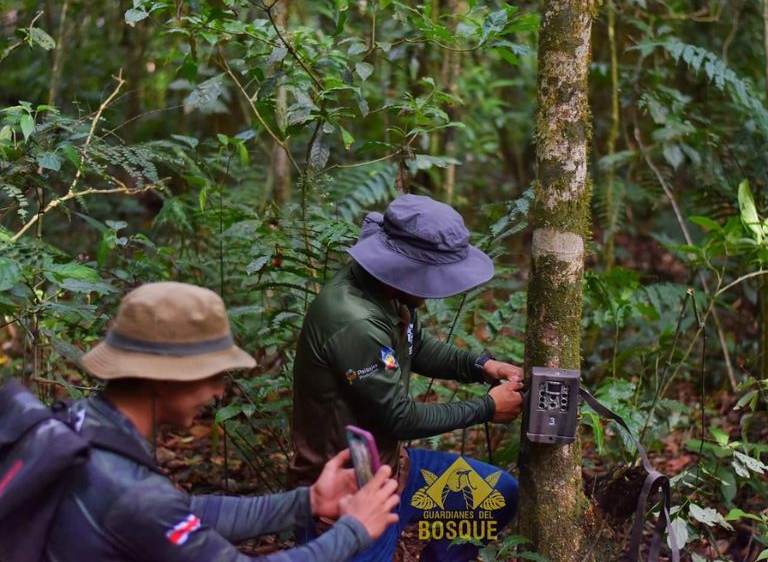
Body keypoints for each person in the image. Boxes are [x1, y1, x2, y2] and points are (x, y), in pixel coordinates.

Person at [44, 281, 400, 562]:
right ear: (164, 377)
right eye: (212, 374)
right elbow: (156, 509)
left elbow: (181, 512)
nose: (218, 391)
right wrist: (354, 530)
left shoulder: (80, 423)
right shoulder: (131, 491)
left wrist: (307, 502)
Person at [289, 194, 525, 561]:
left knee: (496, 495)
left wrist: (482, 367)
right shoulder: (354, 321)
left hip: (392, 469)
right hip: (347, 494)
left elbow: (417, 347)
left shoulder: (388, 294)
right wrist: (487, 408)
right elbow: (399, 418)